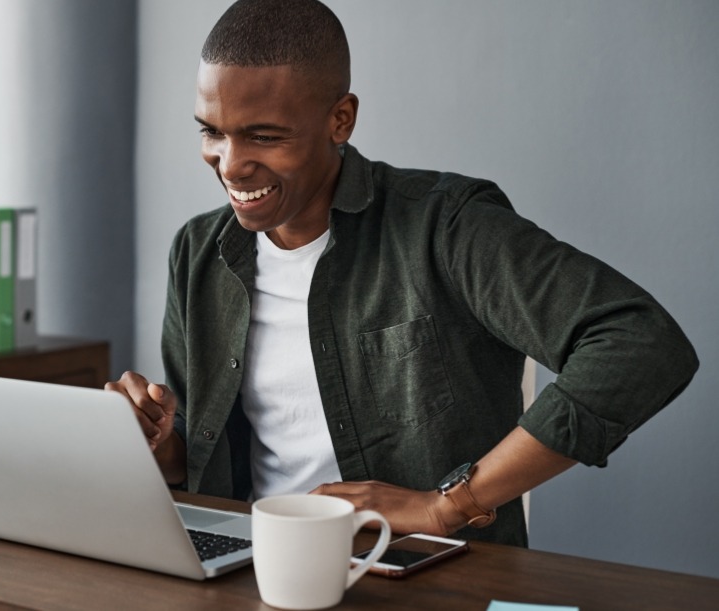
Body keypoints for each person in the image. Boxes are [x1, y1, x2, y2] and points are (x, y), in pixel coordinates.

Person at [105, 0, 698, 546]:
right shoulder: (199, 251)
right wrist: (157, 448)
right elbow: (203, 450)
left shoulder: (445, 227)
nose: (230, 164)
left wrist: (448, 504)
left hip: (423, 572)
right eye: (212, 131)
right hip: (253, 562)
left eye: (264, 135)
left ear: (341, 120)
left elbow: (640, 343)